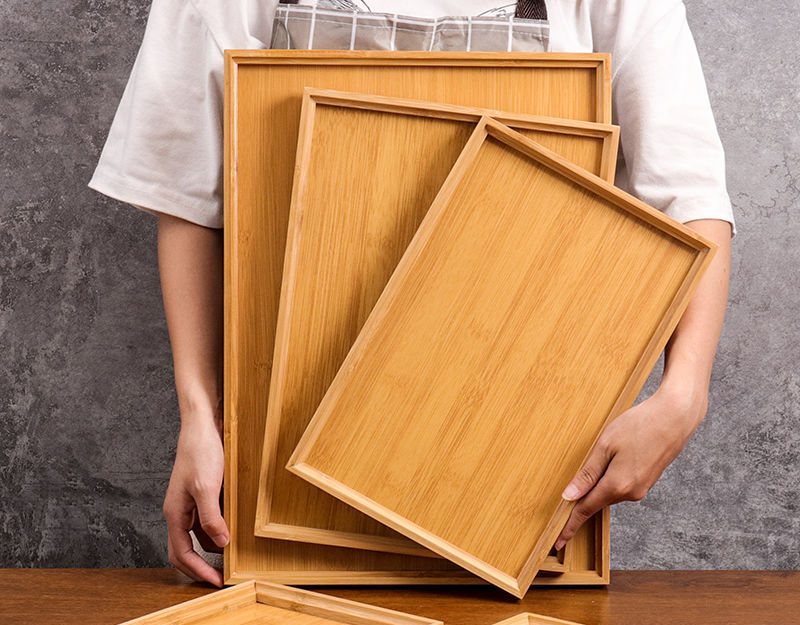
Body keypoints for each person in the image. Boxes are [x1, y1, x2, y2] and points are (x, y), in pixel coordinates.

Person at [88, 0, 734, 586]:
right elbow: (188, 193)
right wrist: (199, 417)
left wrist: (684, 395)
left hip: (518, 486)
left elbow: (690, 199)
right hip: (285, 508)